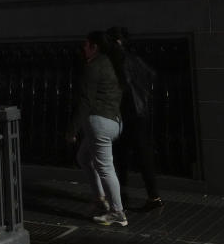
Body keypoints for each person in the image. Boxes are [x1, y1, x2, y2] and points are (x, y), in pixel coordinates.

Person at [68, 31, 127, 227]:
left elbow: (86, 101)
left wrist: (72, 129)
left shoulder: (94, 66)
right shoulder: (112, 65)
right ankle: (100, 199)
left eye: (86, 45)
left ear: (95, 47)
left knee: (105, 167)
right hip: (114, 121)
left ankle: (117, 212)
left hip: (99, 122)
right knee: (84, 157)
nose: (83, 48)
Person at [108, 26, 163, 211]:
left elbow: (122, 85)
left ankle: (122, 196)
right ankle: (153, 196)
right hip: (141, 112)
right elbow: (152, 75)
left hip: (128, 112)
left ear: (117, 42)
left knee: (121, 155)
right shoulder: (136, 59)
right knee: (143, 153)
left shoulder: (120, 60)